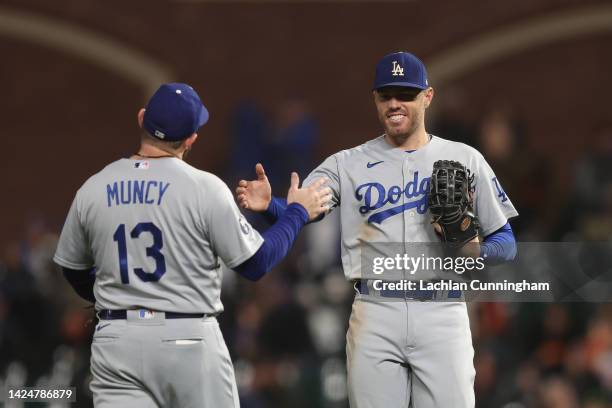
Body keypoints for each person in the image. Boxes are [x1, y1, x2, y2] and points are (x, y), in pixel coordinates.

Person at [235, 52, 519, 407]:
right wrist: (270, 206)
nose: (395, 104)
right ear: (375, 100)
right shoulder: (346, 164)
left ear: (427, 97)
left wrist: (478, 252)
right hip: (375, 309)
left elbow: (507, 243)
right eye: (386, 95)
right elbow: (303, 209)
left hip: (442, 310)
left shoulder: (465, 158)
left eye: (405, 94)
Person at [53, 83, 330, 408]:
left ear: (142, 118)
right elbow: (257, 263)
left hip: (117, 339)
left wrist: (113, 295)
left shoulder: (94, 187)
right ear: (191, 139)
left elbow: (72, 268)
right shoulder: (204, 188)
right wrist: (297, 212)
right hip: (185, 336)